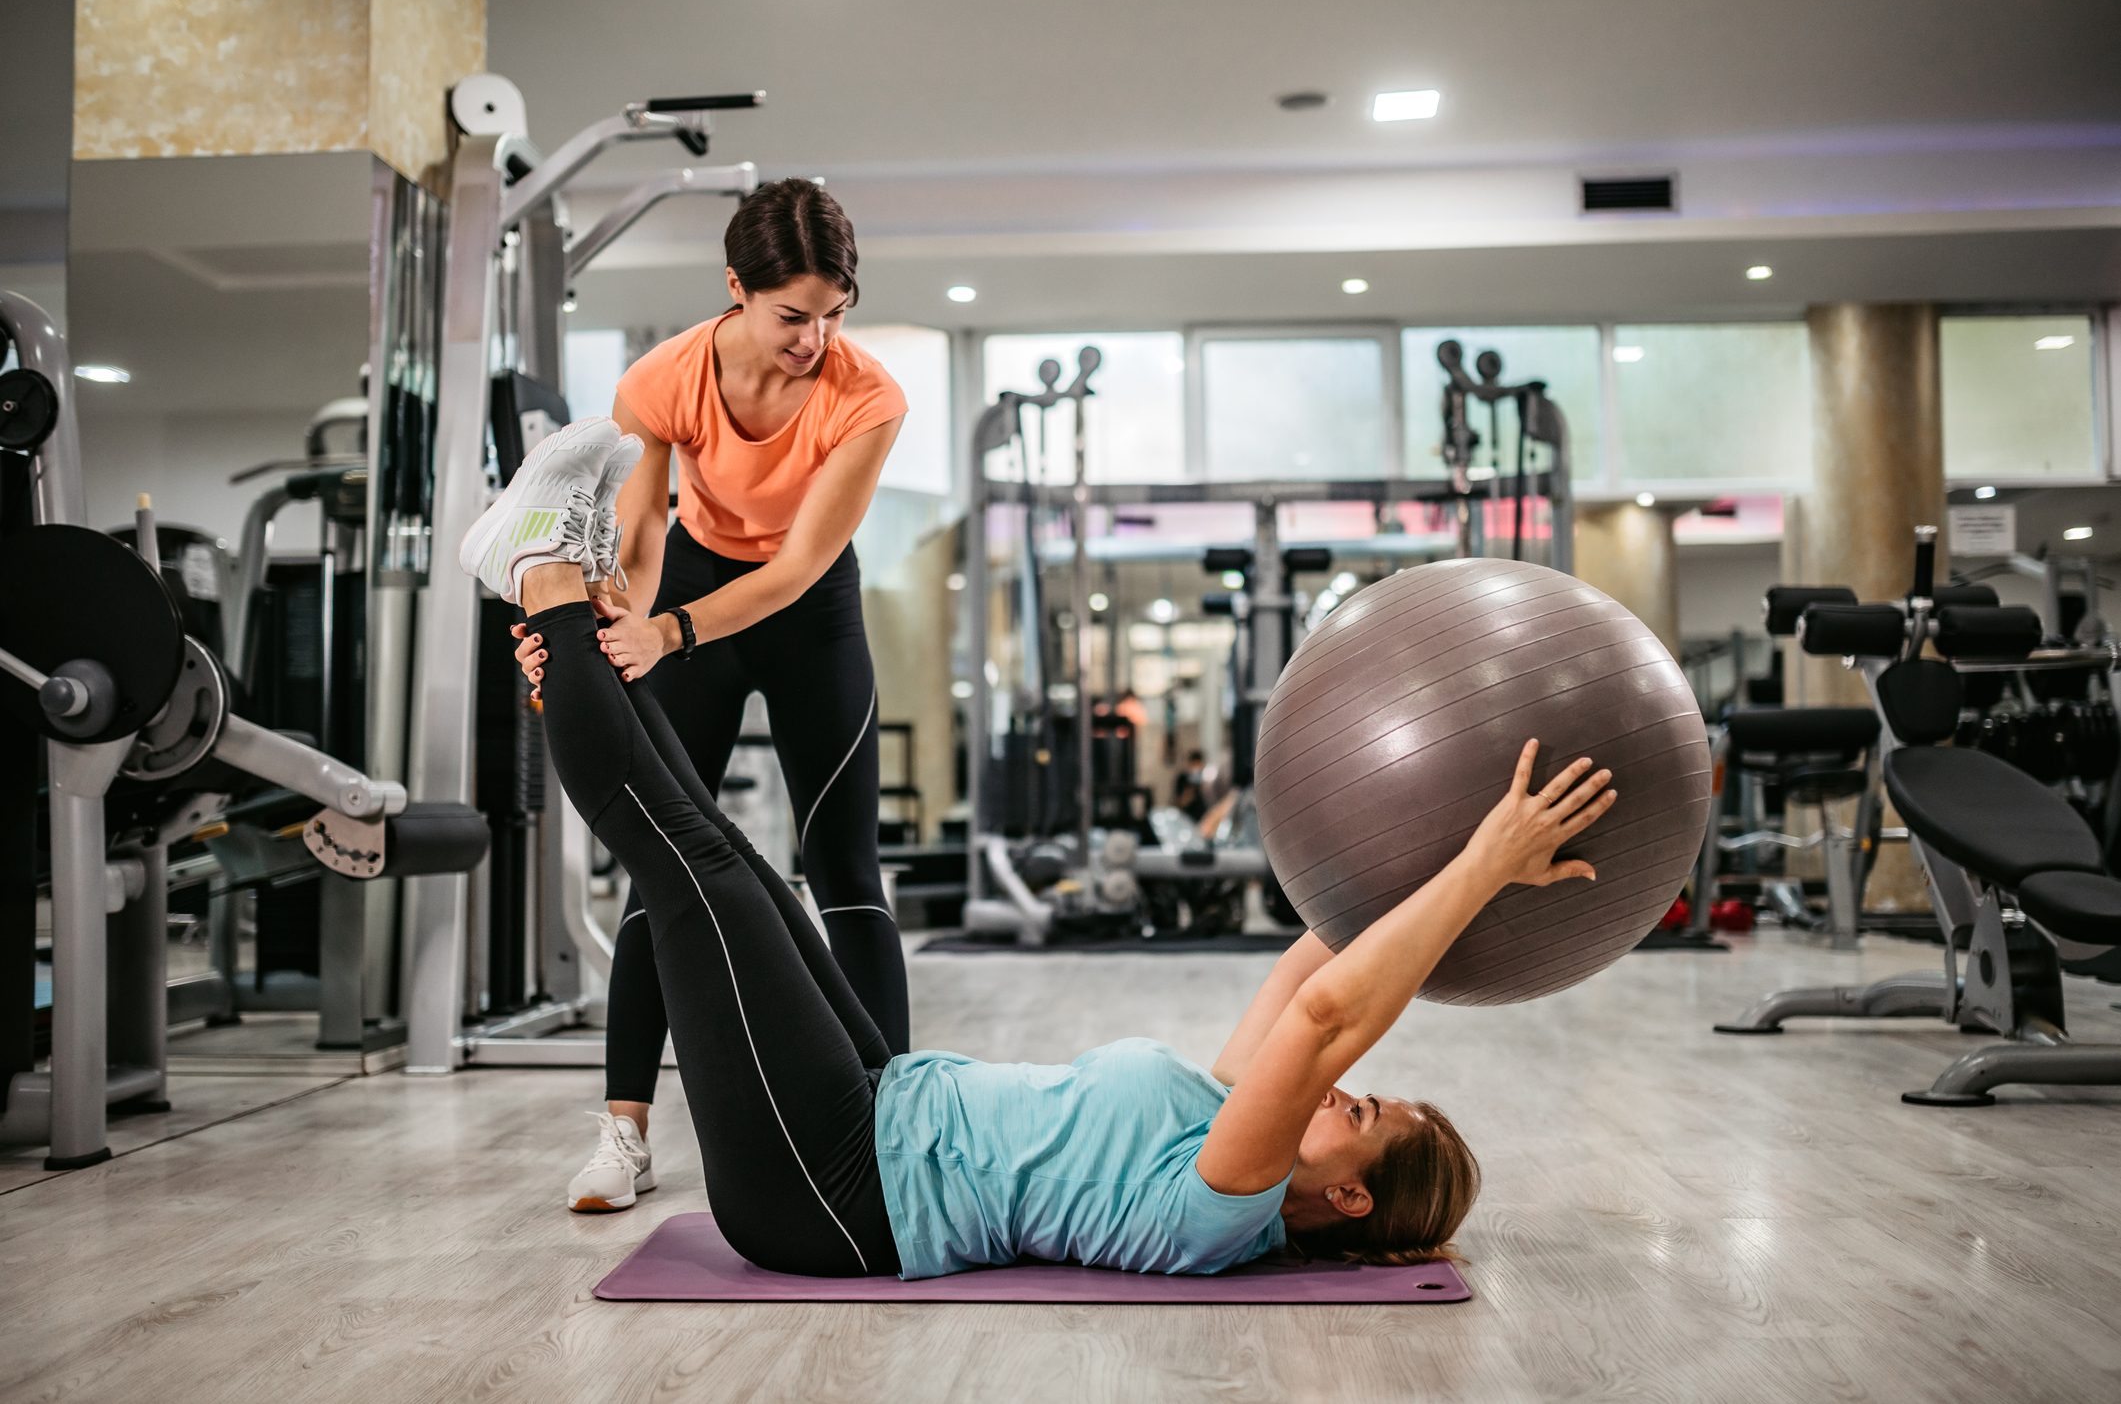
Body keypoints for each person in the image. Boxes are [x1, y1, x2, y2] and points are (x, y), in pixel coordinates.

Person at [464, 435, 1617, 1279]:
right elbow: (1305, 971)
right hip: (877, 1108)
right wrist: (1454, 844)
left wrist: (1477, 871)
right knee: (738, 862)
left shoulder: (1229, 1205)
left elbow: (1325, 1021)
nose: (1343, 1091)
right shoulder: (1221, 1120)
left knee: (696, 876)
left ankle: (544, 576)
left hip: (834, 1194)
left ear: (1346, 1192)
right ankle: (576, 622)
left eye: (1361, 1113)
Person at [507, 179, 911, 1214]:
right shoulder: (664, 378)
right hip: (688, 582)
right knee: (664, 856)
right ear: (736, 289)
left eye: (832, 315)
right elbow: (640, 536)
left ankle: (901, 1120)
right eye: (791, 316)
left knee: (844, 862)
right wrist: (616, 634)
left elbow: (797, 568)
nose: (814, 338)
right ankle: (625, 1135)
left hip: (809, 609)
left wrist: (669, 632)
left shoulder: (868, 397)